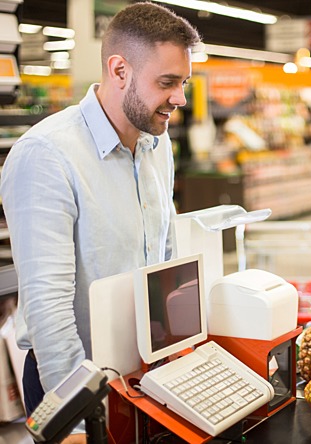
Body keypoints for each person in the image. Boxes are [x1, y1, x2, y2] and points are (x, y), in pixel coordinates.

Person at [0, 2, 200, 442]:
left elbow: (161, 256)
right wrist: (78, 415)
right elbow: (49, 310)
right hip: (74, 376)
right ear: (119, 70)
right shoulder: (47, 156)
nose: (180, 99)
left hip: (140, 364)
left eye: (183, 82)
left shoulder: (155, 142)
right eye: (167, 82)